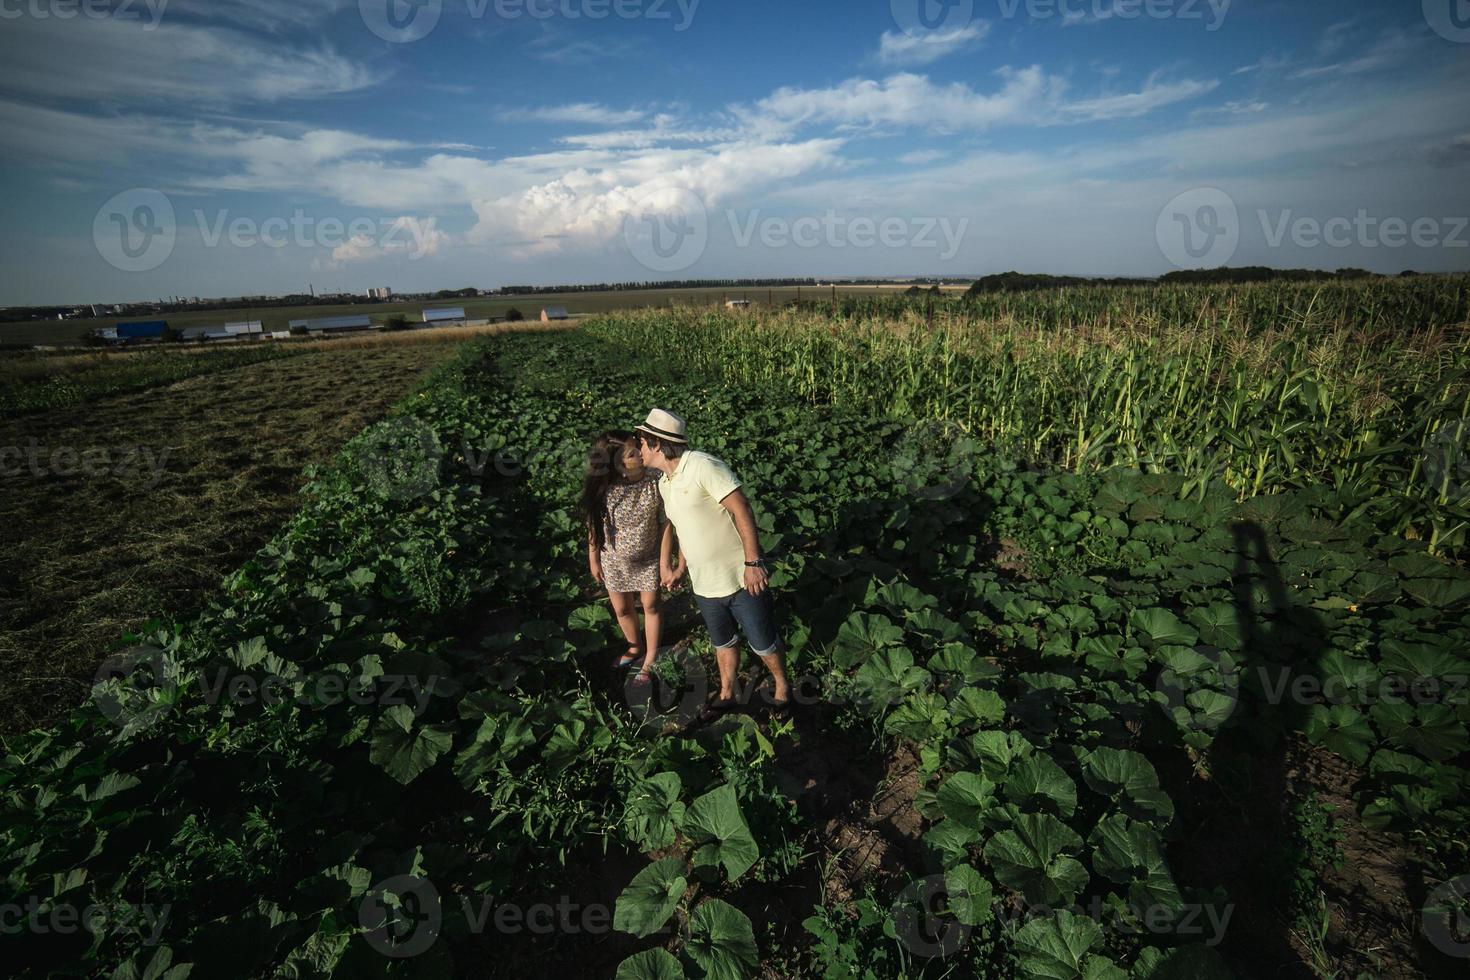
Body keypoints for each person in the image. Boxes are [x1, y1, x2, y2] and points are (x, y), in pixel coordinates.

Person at [634, 408, 794, 722]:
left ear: (656, 444)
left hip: (740, 578)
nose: (638, 448)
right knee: (723, 641)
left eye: (642, 441)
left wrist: (753, 561)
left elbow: (741, 508)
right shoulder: (665, 483)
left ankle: (783, 687)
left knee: (763, 643)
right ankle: (728, 692)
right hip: (705, 584)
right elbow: (684, 528)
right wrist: (680, 566)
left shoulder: (703, 465)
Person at [580, 430, 666, 685]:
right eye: (632, 453)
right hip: (614, 559)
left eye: (638, 447)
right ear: (618, 464)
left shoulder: (655, 480)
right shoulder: (608, 489)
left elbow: (665, 523)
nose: (640, 453)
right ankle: (634, 647)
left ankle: (650, 657)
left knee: (650, 606)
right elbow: (594, 525)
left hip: (649, 557)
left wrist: (665, 560)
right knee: (622, 608)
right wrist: (593, 557)